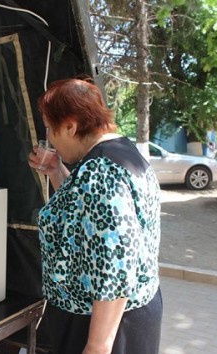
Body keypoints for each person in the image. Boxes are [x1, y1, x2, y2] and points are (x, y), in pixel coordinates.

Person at [28, 76, 162, 354]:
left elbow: (116, 264)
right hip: (127, 317)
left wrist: (97, 346)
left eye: (51, 129)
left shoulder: (100, 172)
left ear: (70, 126)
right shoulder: (122, 154)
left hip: (100, 325)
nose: (50, 138)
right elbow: (88, 217)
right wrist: (56, 170)